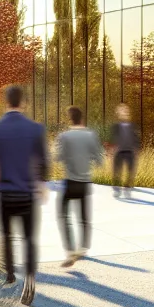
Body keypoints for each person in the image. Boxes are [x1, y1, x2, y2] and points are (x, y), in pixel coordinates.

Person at [0, 85, 49, 306]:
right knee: (29, 238)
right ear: (23, 103)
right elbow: (44, 161)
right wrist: (41, 184)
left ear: (6, 102)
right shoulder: (35, 129)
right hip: (27, 193)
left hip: (5, 193)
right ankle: (30, 275)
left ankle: (10, 274)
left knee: (6, 235)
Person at [56, 106, 104, 266]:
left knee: (64, 215)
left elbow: (58, 157)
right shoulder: (91, 135)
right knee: (84, 217)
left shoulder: (64, 136)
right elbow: (99, 159)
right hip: (85, 182)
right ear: (82, 119)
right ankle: (83, 247)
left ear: (69, 119)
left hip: (70, 181)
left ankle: (70, 250)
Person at [109, 103, 140, 199]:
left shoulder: (132, 126)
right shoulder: (115, 126)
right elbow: (111, 139)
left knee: (131, 171)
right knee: (116, 171)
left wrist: (137, 149)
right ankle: (117, 189)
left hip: (130, 152)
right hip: (119, 152)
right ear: (118, 113)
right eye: (122, 111)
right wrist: (111, 149)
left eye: (126, 110)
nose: (124, 112)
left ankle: (127, 188)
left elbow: (136, 139)